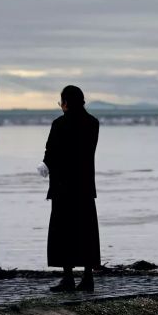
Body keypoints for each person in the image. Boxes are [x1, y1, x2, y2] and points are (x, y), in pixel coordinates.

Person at [39, 85, 100, 292]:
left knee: (63, 233)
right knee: (86, 232)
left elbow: (52, 151)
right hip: (84, 186)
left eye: (61, 102)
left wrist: (45, 164)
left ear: (65, 102)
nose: (61, 106)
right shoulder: (93, 123)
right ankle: (88, 278)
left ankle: (67, 278)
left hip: (63, 187)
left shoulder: (59, 124)